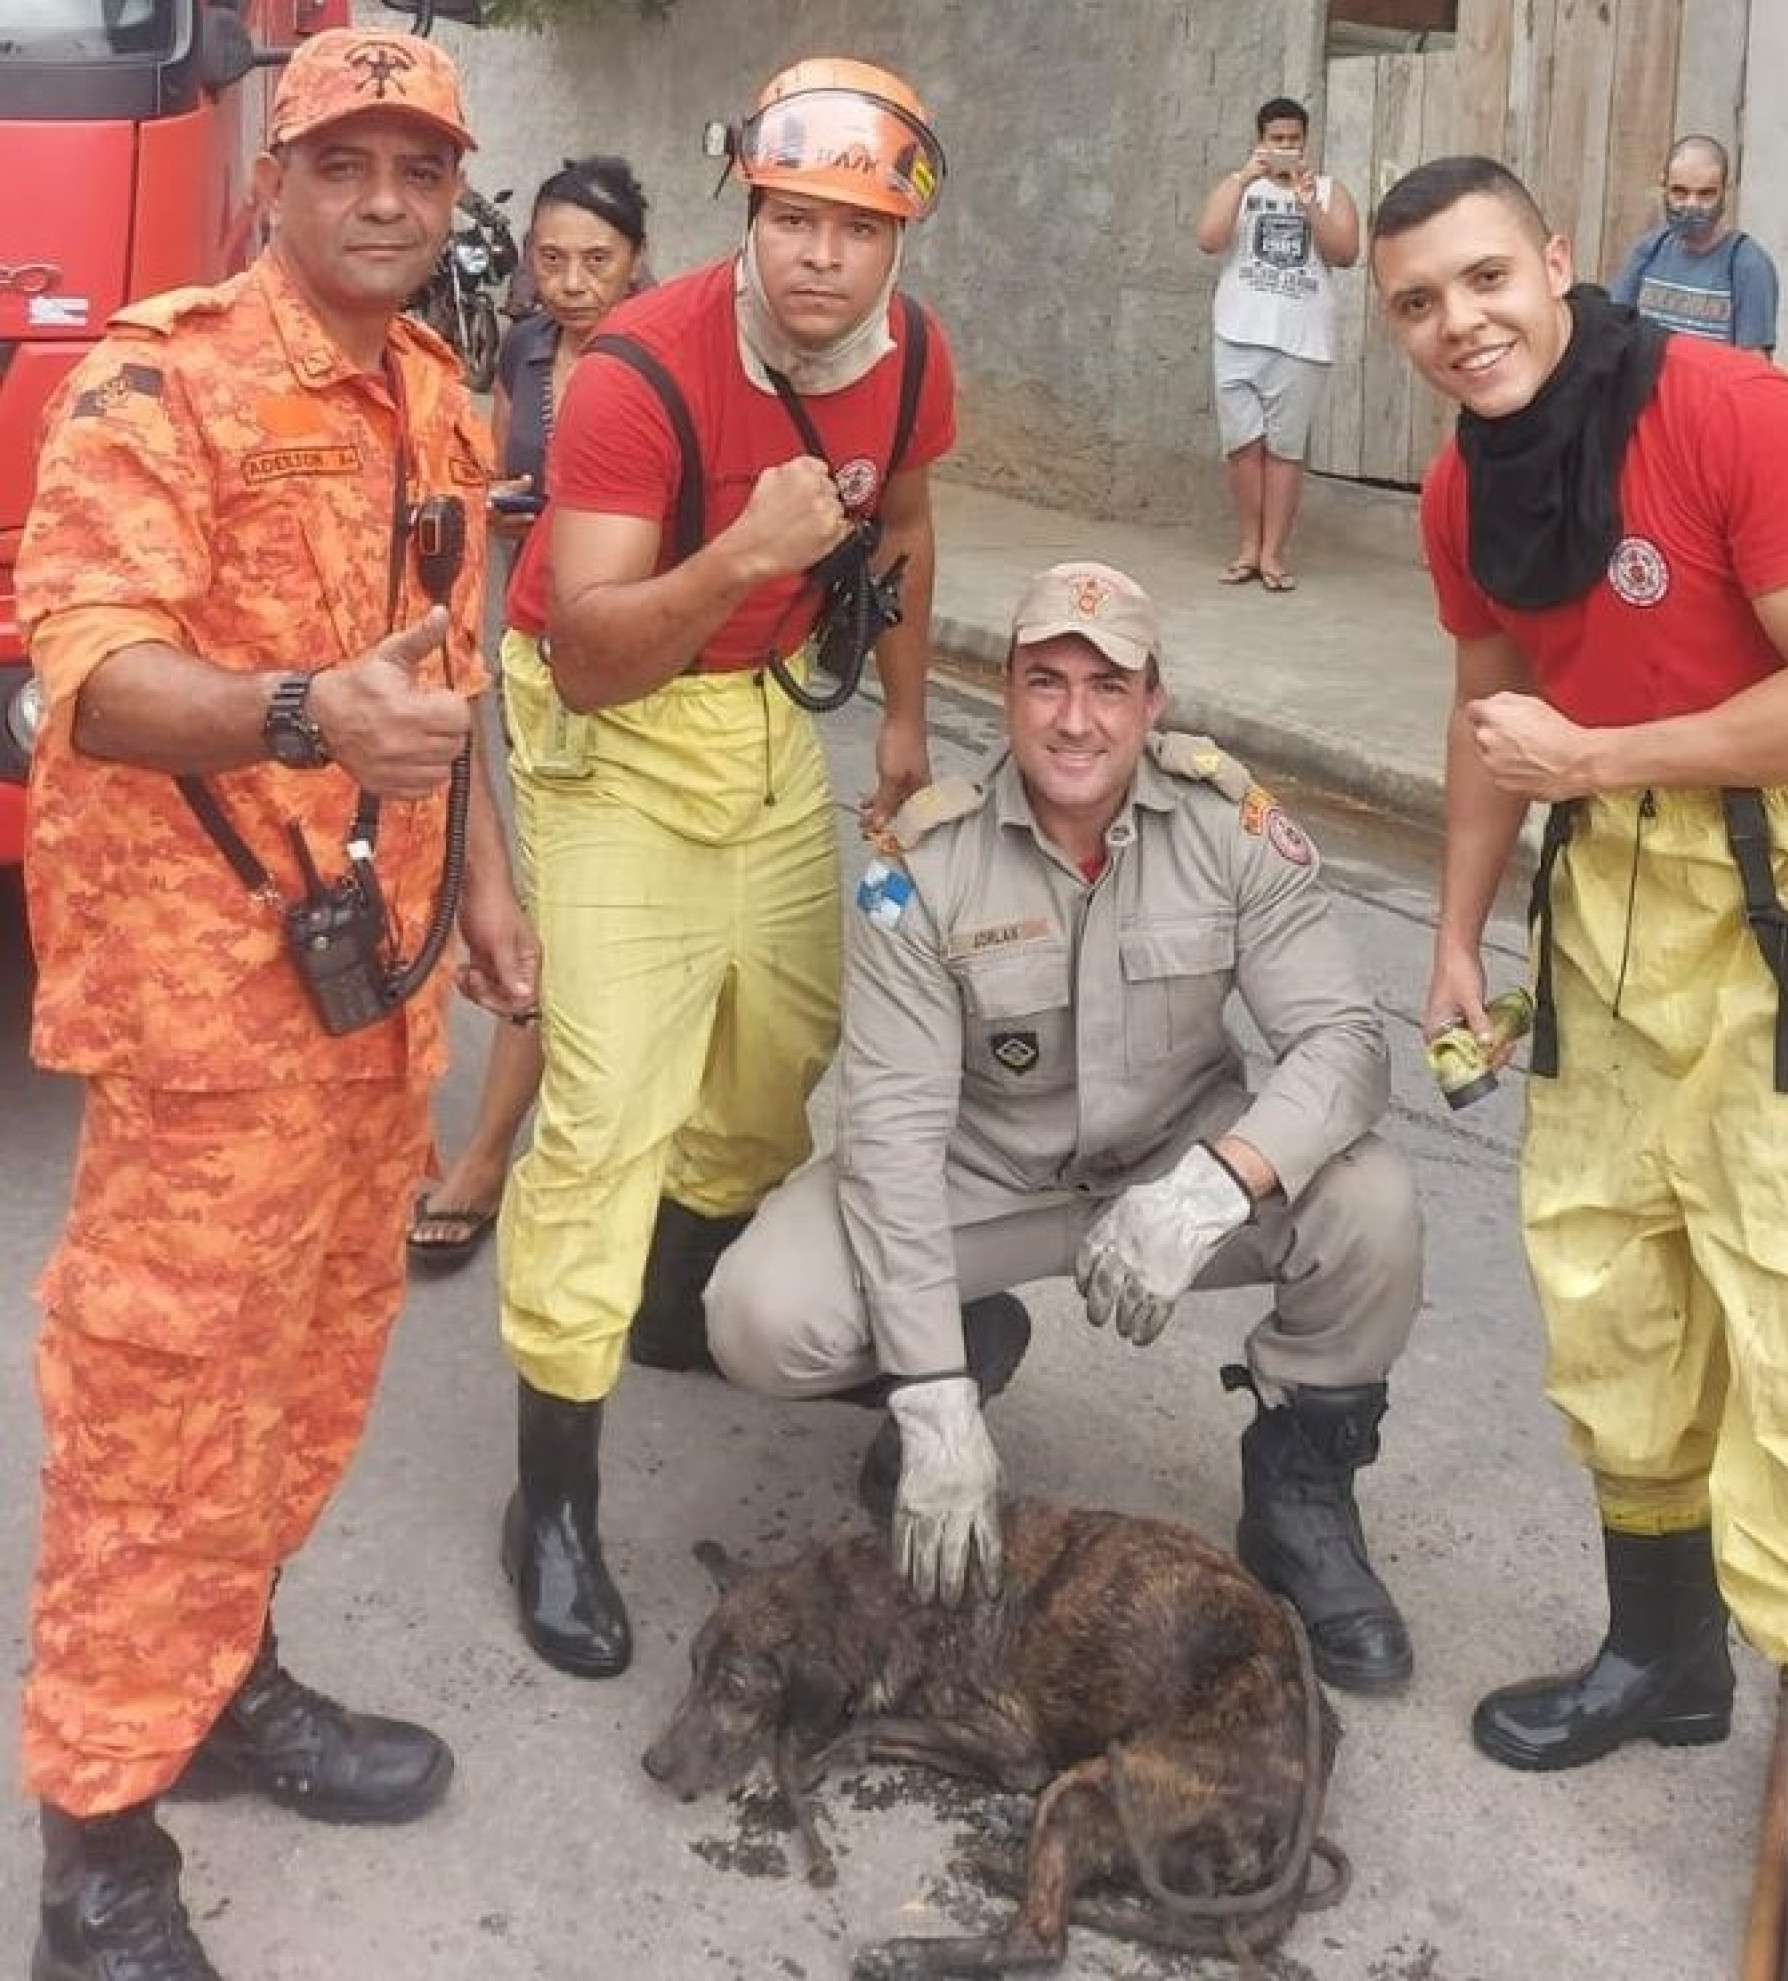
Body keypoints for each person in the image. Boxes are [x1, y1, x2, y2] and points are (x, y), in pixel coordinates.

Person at [13, 28, 535, 1981]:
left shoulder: (440, 396)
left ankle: (221, 1691)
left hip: (370, 1015)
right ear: (277, 182)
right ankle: (94, 1855)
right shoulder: (162, 381)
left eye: (422, 169)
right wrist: (307, 707)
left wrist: (485, 889)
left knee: (306, 1391)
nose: (387, 200)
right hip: (202, 1022)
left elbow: (459, 676)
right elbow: (90, 674)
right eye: (348, 166)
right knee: (158, 1421)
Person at [1371, 154, 1788, 1975]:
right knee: (1606, 1282)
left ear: (1555, 261)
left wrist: (1602, 765)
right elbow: (1484, 704)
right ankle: (1667, 1654)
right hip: (1607, 906)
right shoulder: (1466, 485)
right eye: (1417, 306)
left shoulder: (1732, 412)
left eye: (1481, 280)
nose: (1460, 324)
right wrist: (1457, 931)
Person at [705, 559, 1425, 1697]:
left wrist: (1219, 1183)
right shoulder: (921, 869)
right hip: (980, 1179)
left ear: (1154, 702)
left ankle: (1301, 1497)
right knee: (759, 1313)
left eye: (1108, 685)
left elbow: (1347, 1044)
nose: (1076, 718)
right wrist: (932, 1394)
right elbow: (890, 1137)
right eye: (1047, 682)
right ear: (1008, 695)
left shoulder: (1230, 827)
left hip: (1176, 1171)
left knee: (1372, 1203)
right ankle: (958, 1351)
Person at [490, 57, 958, 1681]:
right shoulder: (635, 371)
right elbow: (597, 653)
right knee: (611, 1103)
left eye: (856, 224)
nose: (821, 256)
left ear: (901, 240)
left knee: (780, 1054)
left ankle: (675, 1302)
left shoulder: (907, 362)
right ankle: (550, 1492)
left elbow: (900, 522)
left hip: (759, 717)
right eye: (792, 218)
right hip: (613, 726)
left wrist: (902, 721)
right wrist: (750, 551)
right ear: (747, 213)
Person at [407, 153, 652, 1269]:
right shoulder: (523, 349)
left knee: (573, 913)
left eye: (595, 259)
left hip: (645, 679)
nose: (570, 280)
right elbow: (506, 474)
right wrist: (509, 513)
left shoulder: (674, 361)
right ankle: (516, 1146)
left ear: (637, 262)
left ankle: (492, 1155)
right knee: (551, 906)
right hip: (534, 654)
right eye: (549, 259)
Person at [1196, 94, 1360, 594]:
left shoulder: (1331, 191)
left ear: (1306, 143)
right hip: (1238, 331)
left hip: (1301, 337)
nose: (1286, 148)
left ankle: (1273, 555)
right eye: (1277, 140)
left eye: (1294, 140)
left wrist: (1308, 202)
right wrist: (1244, 178)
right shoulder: (1239, 187)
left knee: (1285, 451)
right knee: (1243, 447)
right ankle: (1248, 546)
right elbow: (1208, 238)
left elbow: (1345, 252)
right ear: (1260, 141)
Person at [1610, 134, 1779, 355]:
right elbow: (1614, 335)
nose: (1691, 205)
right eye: (1679, 192)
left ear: (1725, 192)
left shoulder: (1748, 265)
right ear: (1664, 187)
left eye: (1705, 194)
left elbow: (1753, 367)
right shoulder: (1647, 251)